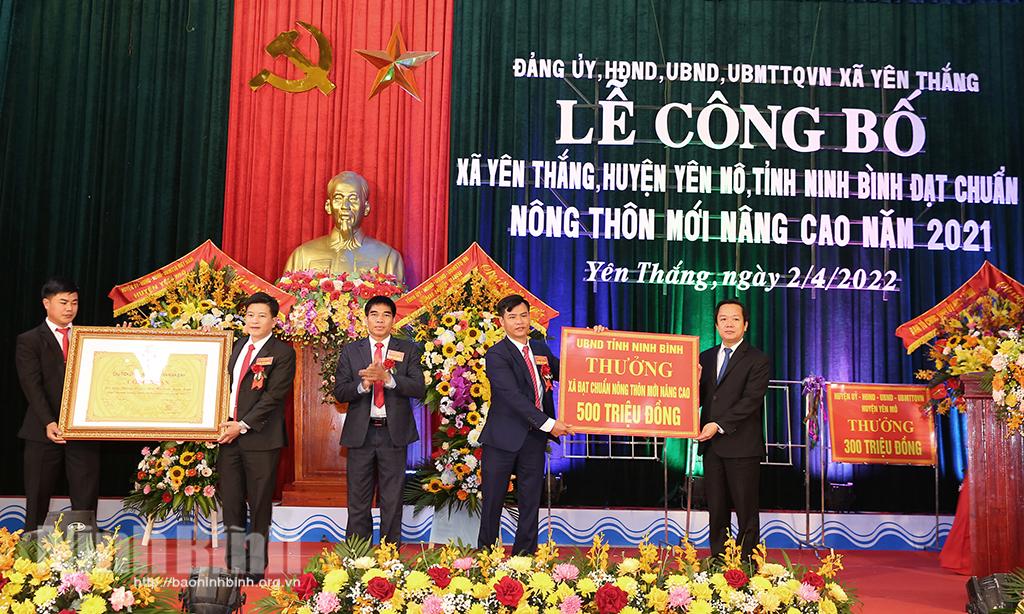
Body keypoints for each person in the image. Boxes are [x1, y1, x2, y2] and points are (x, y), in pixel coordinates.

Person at [477, 294, 572, 554]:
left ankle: (525, 557)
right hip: (502, 439)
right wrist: (549, 423)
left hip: (533, 439)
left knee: (530, 501)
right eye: (512, 317)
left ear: (530, 318)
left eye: (523, 315)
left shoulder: (540, 349)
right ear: (502, 321)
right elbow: (512, 397)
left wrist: (595, 342)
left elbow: (570, 371)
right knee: (493, 502)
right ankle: (487, 557)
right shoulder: (496, 355)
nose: (519, 322)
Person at [333, 295, 425, 544]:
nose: (380, 320)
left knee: (392, 498)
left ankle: (389, 555)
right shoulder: (352, 350)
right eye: (374, 314)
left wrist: (389, 379)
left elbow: (419, 388)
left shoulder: (408, 350)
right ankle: (357, 555)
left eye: (386, 315)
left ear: (394, 319)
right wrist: (362, 385)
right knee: (358, 499)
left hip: (393, 434)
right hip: (360, 434)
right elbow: (339, 392)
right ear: (366, 319)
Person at [217, 292, 296, 579]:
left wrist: (243, 424)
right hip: (229, 437)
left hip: (261, 439)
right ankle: (235, 564)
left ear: (274, 320)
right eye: (250, 314)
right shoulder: (235, 347)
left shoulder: (283, 352)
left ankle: (255, 567)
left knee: (260, 505)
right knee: (231, 502)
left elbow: (274, 397)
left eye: (262, 315)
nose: (254, 320)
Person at [16, 277, 100, 531]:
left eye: (74, 302)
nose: (69, 308)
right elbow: (32, 386)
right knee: (38, 498)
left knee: (85, 500)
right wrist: (49, 421)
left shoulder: (90, 338)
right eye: (63, 302)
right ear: (46, 303)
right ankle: (30, 558)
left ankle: (86, 558)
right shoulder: (29, 340)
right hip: (43, 430)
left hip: (83, 431)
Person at [696, 298, 771, 560]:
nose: (729, 324)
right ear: (716, 325)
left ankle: (748, 566)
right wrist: (689, 384)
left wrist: (717, 425)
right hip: (712, 448)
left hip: (742, 446)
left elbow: (750, 401)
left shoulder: (758, 359)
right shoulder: (703, 358)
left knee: (745, 510)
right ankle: (719, 563)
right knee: (716, 510)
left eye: (735, 319)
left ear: (745, 325)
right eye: (723, 319)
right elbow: (695, 399)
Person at [284, 171, 404, 282]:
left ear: (366, 208)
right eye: (338, 198)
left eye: (353, 199)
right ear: (328, 206)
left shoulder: (387, 257)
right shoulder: (302, 255)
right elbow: (287, 300)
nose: (345, 206)